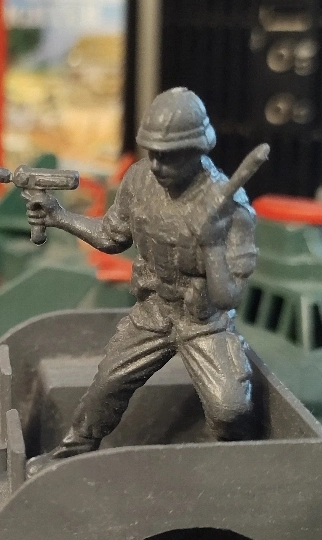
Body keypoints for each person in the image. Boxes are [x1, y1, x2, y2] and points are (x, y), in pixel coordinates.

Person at [24, 87, 261, 476]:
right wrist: (58, 216)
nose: (157, 164)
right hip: (155, 310)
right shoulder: (138, 180)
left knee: (230, 408)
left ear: (198, 149)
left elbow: (228, 297)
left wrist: (213, 246)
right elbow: (111, 237)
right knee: (108, 382)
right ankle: (72, 452)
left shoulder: (232, 210)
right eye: (152, 152)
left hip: (204, 320)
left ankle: (229, 464)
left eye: (170, 156)